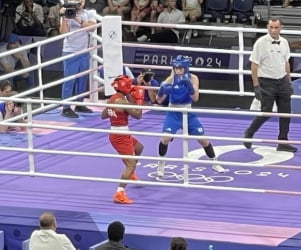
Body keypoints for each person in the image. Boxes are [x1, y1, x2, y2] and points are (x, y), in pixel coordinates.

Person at [155, 55, 226, 176]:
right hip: (173, 112)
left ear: (186, 68)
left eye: (180, 68)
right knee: (165, 138)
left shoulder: (193, 78)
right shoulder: (170, 80)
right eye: (175, 68)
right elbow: (159, 100)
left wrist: (189, 87)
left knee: (202, 139)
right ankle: (160, 164)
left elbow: (196, 98)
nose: (177, 70)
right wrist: (162, 91)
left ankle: (215, 162)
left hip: (188, 112)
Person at [243, 17, 297, 153]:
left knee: (286, 113)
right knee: (266, 112)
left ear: (281, 28)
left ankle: (283, 141)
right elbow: (254, 65)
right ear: (267, 27)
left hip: (282, 80)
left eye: (276, 27)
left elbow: (286, 63)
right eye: (271, 27)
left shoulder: (284, 42)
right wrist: (256, 86)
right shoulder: (261, 43)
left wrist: (289, 82)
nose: (273, 30)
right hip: (266, 81)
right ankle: (250, 132)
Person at [101, 75, 145, 204]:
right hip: (120, 135)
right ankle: (119, 193)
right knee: (130, 164)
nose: (130, 87)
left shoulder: (113, 99)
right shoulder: (122, 102)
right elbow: (138, 116)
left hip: (119, 132)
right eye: (129, 85)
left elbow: (103, 116)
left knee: (139, 148)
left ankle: (130, 174)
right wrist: (139, 100)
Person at [59, 0, 96, 118]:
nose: (80, 2)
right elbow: (63, 32)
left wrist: (76, 18)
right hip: (70, 51)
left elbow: (92, 28)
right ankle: (66, 108)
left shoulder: (89, 13)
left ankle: (79, 104)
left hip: (84, 51)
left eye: (82, 0)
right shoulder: (67, 13)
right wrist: (64, 17)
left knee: (82, 80)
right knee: (69, 81)